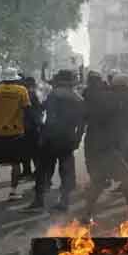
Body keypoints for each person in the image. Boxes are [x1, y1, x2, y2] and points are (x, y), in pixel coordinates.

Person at [25, 70, 85, 212]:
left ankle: (39, 201)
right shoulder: (78, 98)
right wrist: (77, 138)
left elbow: (44, 112)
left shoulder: (53, 95)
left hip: (51, 137)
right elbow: (82, 122)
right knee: (66, 171)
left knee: (43, 170)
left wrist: (43, 133)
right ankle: (64, 201)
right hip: (68, 138)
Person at [81, 73, 128, 223]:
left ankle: (86, 215)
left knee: (98, 181)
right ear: (121, 88)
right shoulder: (114, 101)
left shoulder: (108, 99)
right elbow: (124, 120)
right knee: (127, 177)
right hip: (105, 148)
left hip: (96, 146)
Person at [0, 68, 32, 200]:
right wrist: (28, 129)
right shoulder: (22, 90)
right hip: (16, 133)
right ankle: (13, 192)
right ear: (15, 78)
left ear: (3, 78)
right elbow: (27, 111)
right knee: (15, 163)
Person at [20, 76, 43, 182]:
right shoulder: (35, 93)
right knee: (29, 151)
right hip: (31, 126)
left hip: (30, 127)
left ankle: (33, 172)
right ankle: (30, 171)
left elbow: (32, 111)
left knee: (30, 151)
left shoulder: (30, 94)